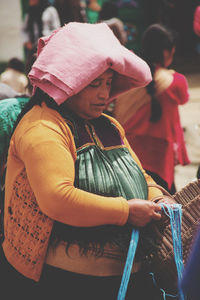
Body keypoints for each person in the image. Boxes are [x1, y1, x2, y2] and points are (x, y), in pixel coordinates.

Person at [2, 22, 174, 300]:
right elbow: (57, 198)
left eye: (108, 83)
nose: (105, 95)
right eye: (94, 84)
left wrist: (157, 199)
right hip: (67, 285)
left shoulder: (108, 125)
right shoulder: (43, 126)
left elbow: (139, 175)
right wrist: (126, 211)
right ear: (70, 82)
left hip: (130, 275)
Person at [113, 23, 190, 194]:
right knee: (166, 199)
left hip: (128, 151)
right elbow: (184, 98)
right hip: (160, 156)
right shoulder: (175, 81)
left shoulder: (128, 77)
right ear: (166, 52)